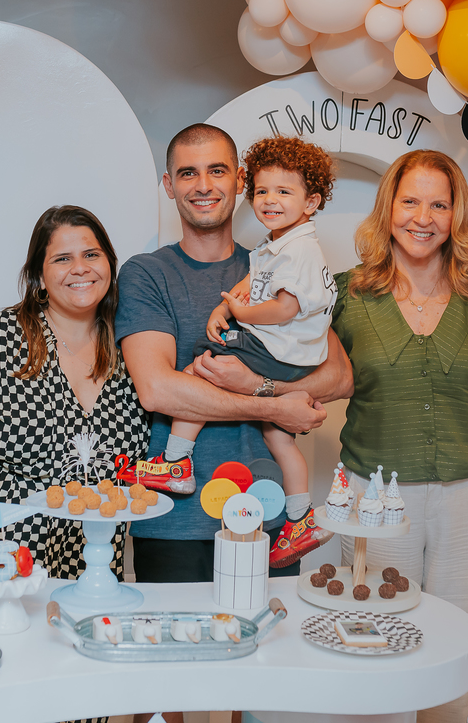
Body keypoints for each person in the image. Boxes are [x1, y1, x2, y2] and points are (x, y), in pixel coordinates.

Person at [116, 123, 353, 723]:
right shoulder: (146, 274)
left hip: (268, 515)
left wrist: (258, 384)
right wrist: (273, 404)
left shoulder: (282, 262)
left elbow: (338, 376)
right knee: (176, 684)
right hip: (173, 519)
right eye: (188, 173)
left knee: (256, 680)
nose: (204, 185)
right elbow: (157, 386)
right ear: (168, 185)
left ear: (241, 182)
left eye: (218, 170)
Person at [331, 150, 468, 723]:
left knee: (454, 656)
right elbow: (307, 369)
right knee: (378, 649)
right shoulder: (346, 293)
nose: (423, 217)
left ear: (456, 215)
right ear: (388, 207)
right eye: (411, 201)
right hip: (375, 500)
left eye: (439, 204)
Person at [0, 206, 149, 595]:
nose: (80, 268)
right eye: (62, 259)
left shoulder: (134, 343)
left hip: (94, 565)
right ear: (39, 276)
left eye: (91, 255)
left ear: (110, 265)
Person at [167, 136, 339, 568]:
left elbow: (283, 307)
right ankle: (300, 518)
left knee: (195, 374)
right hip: (292, 360)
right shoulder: (275, 245)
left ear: (311, 201)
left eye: (284, 192)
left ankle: (175, 463)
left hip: (277, 351)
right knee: (279, 436)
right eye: (263, 191)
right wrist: (227, 306)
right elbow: (252, 281)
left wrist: (242, 314)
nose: (270, 200)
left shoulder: (299, 250)